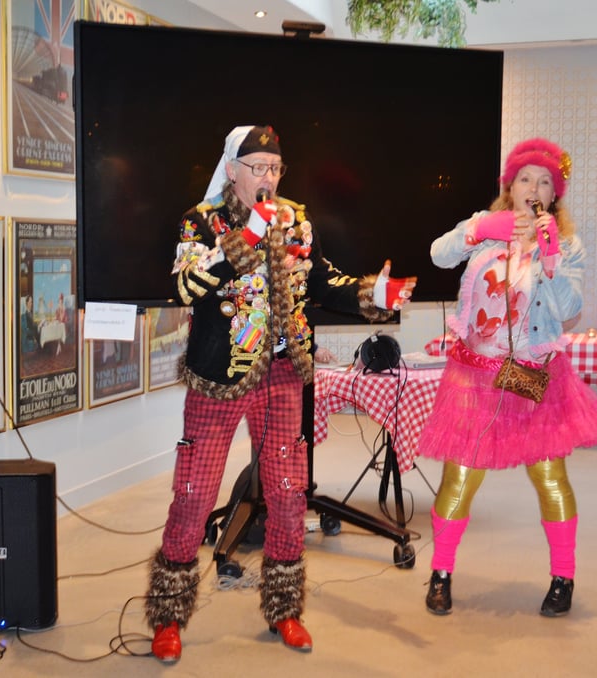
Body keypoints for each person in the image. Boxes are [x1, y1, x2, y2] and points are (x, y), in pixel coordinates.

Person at [145, 125, 415, 663]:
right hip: (220, 377)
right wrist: (246, 238)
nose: (268, 177)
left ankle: (285, 608)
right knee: (195, 493)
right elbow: (184, 286)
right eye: (258, 168)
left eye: (275, 167)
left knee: (289, 492)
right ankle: (169, 616)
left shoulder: (296, 219)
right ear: (232, 171)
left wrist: (374, 293)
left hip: (285, 371)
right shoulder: (201, 221)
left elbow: (322, 282)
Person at [417, 138, 597, 619]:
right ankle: (441, 572)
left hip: (533, 374)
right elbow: (438, 254)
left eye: (545, 182)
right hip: (473, 376)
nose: (534, 188)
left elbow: (568, 311)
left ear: (554, 194)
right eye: (526, 178)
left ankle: (563, 577)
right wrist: (479, 229)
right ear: (510, 186)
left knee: (550, 476)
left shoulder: (568, 246)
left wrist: (550, 260)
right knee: (459, 477)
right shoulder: (486, 230)